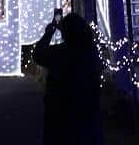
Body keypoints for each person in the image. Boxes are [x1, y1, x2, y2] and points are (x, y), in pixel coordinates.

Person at [34, 12, 104, 145]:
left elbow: (39, 54)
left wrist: (49, 32)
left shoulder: (60, 53)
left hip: (60, 114)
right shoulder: (90, 52)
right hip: (87, 113)